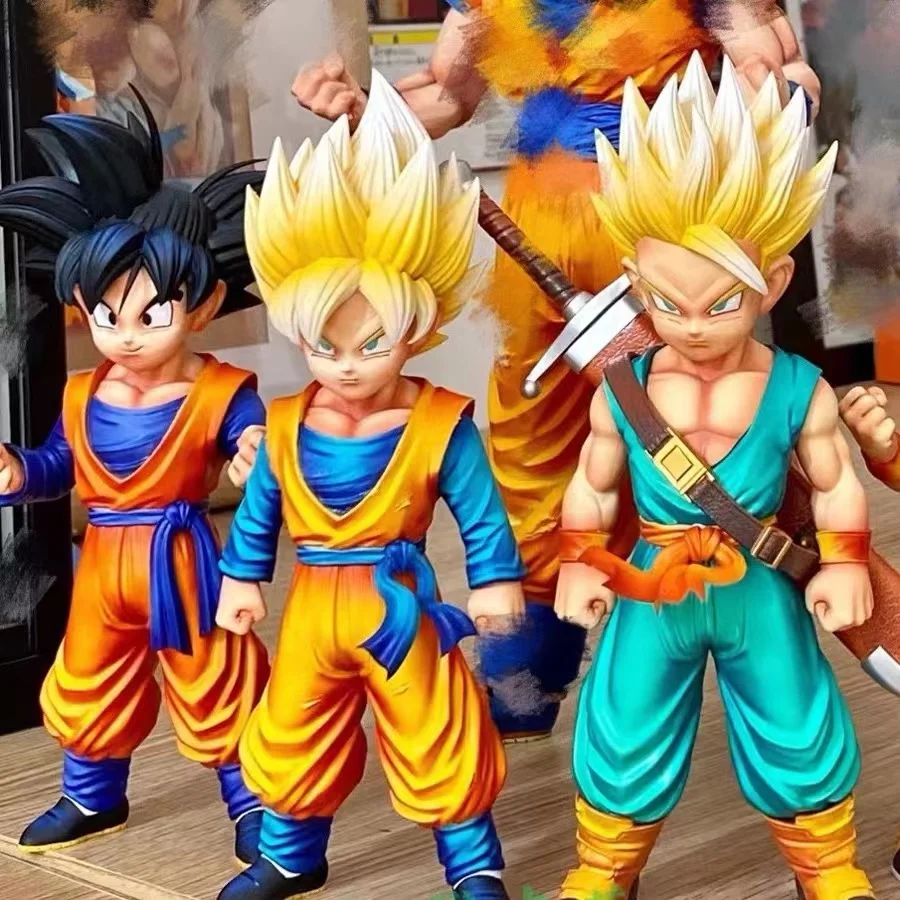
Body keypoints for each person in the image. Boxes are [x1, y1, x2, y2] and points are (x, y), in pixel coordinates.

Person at [290, 0, 823, 740]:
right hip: (535, 240)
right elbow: (445, 94)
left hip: (661, 238)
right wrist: (361, 110)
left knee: (688, 443)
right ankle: (531, 665)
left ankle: (733, 648)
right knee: (528, 451)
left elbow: (782, 83)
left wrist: (746, 139)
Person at [553, 55, 874, 899]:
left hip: (759, 583)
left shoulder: (798, 387)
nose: (693, 326)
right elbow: (593, 481)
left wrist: (843, 561)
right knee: (623, 723)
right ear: (635, 285)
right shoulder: (624, 389)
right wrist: (581, 558)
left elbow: (835, 481)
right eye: (667, 303)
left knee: (796, 721)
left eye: (721, 302)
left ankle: (827, 868)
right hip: (652, 581)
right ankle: (604, 869)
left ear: (773, 283)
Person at [213, 72, 525, 900]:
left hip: (402, 604)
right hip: (312, 604)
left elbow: (481, 513)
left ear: (417, 328)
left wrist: (494, 581)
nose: (347, 365)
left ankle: (474, 865)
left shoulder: (441, 420)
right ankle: (289, 855)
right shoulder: (286, 422)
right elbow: (259, 511)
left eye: (371, 343)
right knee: (293, 726)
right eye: (326, 345)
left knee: (436, 729)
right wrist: (241, 578)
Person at [0, 95, 270, 864]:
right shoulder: (82, 393)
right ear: (81, 306)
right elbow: (61, 467)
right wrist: (18, 470)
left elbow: (258, 453)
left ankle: (253, 801)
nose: (126, 333)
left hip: (184, 561)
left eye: (151, 314)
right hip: (103, 568)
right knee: (89, 677)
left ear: (204, 304)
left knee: (217, 677)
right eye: (107, 313)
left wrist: (255, 457)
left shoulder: (222, 389)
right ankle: (91, 795)